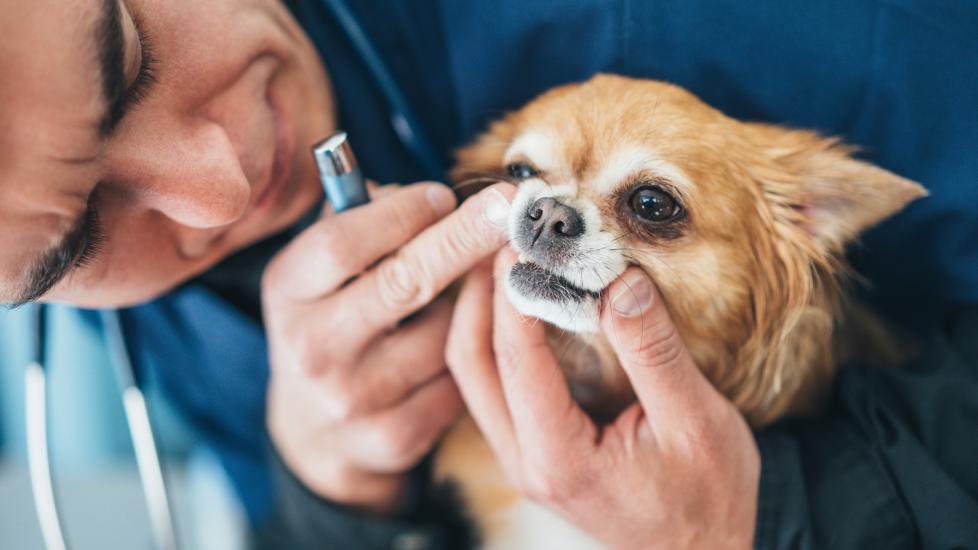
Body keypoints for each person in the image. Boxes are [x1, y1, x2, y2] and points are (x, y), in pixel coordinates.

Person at [1, 0, 976, 548]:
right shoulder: (145, 320)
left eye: (126, 65)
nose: (221, 189)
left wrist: (778, 516)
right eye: (77, 237)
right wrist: (328, 496)